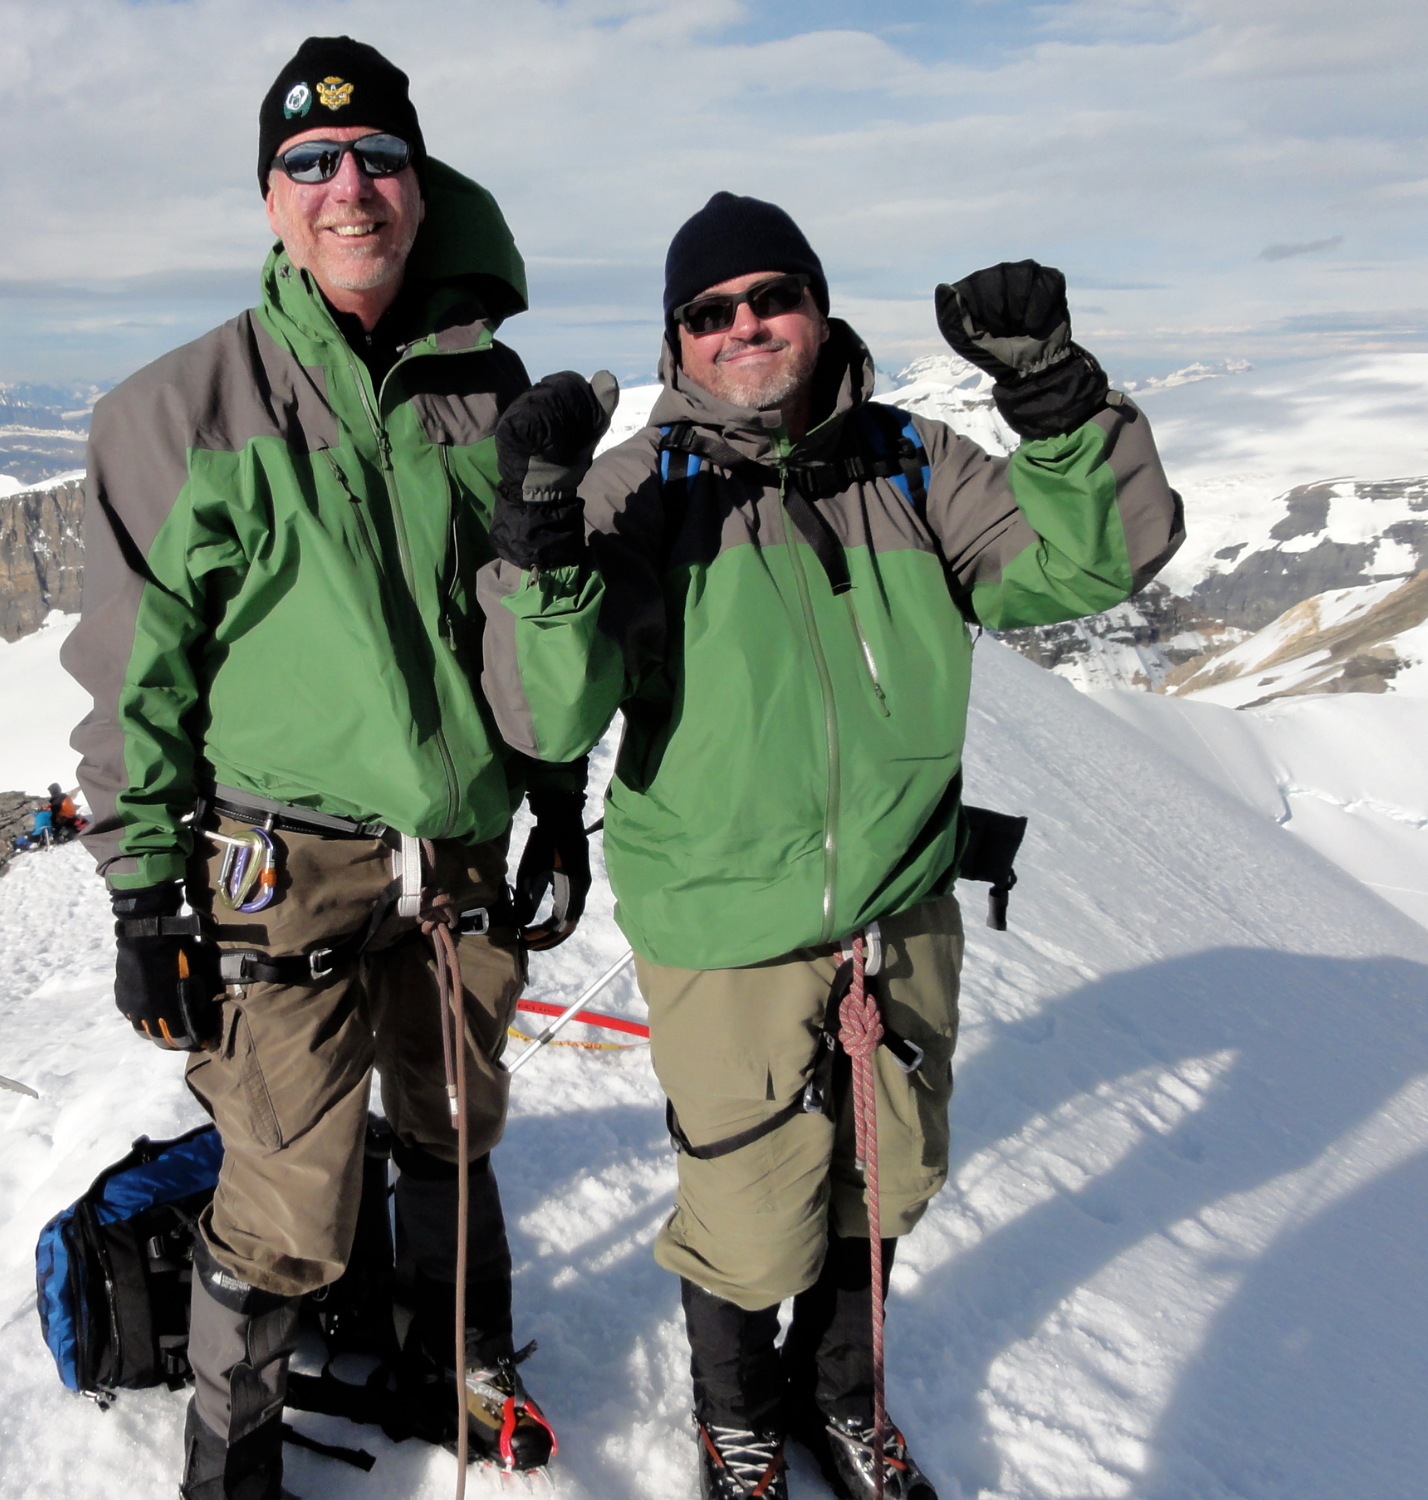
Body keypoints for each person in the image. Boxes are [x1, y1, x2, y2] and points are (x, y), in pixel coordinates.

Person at [477, 193, 1183, 1499]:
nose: (747, 325)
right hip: (723, 925)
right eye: (712, 312)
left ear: (819, 304)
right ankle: (739, 1424)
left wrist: (1057, 400)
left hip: (898, 910)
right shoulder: (636, 493)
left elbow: (1097, 562)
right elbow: (547, 710)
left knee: (883, 1185)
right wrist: (537, 535)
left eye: (772, 296)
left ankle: (843, 1399)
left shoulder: (912, 465)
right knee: (749, 1216)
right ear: (677, 341)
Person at [60, 36, 586, 1500]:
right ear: (271, 199)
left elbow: (519, 623)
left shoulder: (490, 391)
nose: (347, 187)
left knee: (453, 1122)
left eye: (377, 160)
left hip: (462, 848)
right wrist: (145, 895)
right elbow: (134, 677)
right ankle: (231, 1467)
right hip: (277, 865)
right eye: (311, 163)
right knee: (289, 1192)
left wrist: (552, 795)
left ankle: (450, 1358)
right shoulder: (179, 411)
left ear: (421, 187)